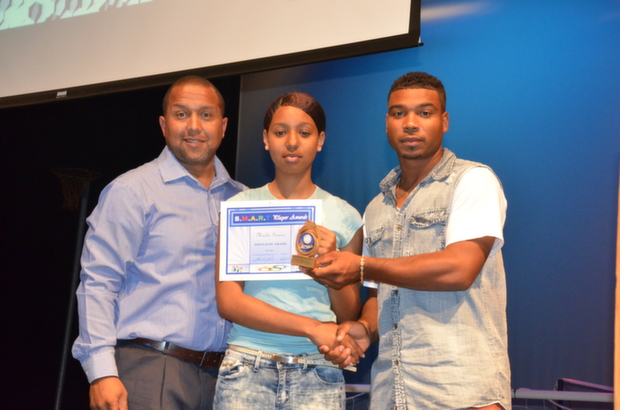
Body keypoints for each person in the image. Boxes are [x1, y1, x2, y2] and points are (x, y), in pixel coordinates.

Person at [310, 72, 511, 409]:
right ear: (387, 123)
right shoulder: (376, 208)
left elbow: (460, 269)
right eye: (399, 113)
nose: (411, 123)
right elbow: (379, 295)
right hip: (393, 393)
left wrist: (361, 266)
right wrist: (365, 329)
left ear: (444, 121)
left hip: (463, 392)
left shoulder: (473, 181)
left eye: (425, 112)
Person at [72, 76, 247, 410]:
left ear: (223, 126)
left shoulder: (244, 201)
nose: (194, 126)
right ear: (164, 125)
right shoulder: (132, 191)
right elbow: (98, 282)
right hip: (150, 368)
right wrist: (101, 372)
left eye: (206, 115)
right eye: (181, 114)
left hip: (227, 378)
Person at [213, 92, 364, 409]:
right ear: (265, 139)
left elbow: (348, 314)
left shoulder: (345, 216)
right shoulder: (240, 207)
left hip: (317, 368)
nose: (292, 142)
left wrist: (328, 266)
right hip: (247, 365)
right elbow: (229, 302)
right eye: (280, 132)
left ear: (320, 141)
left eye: (304, 133)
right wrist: (311, 328)